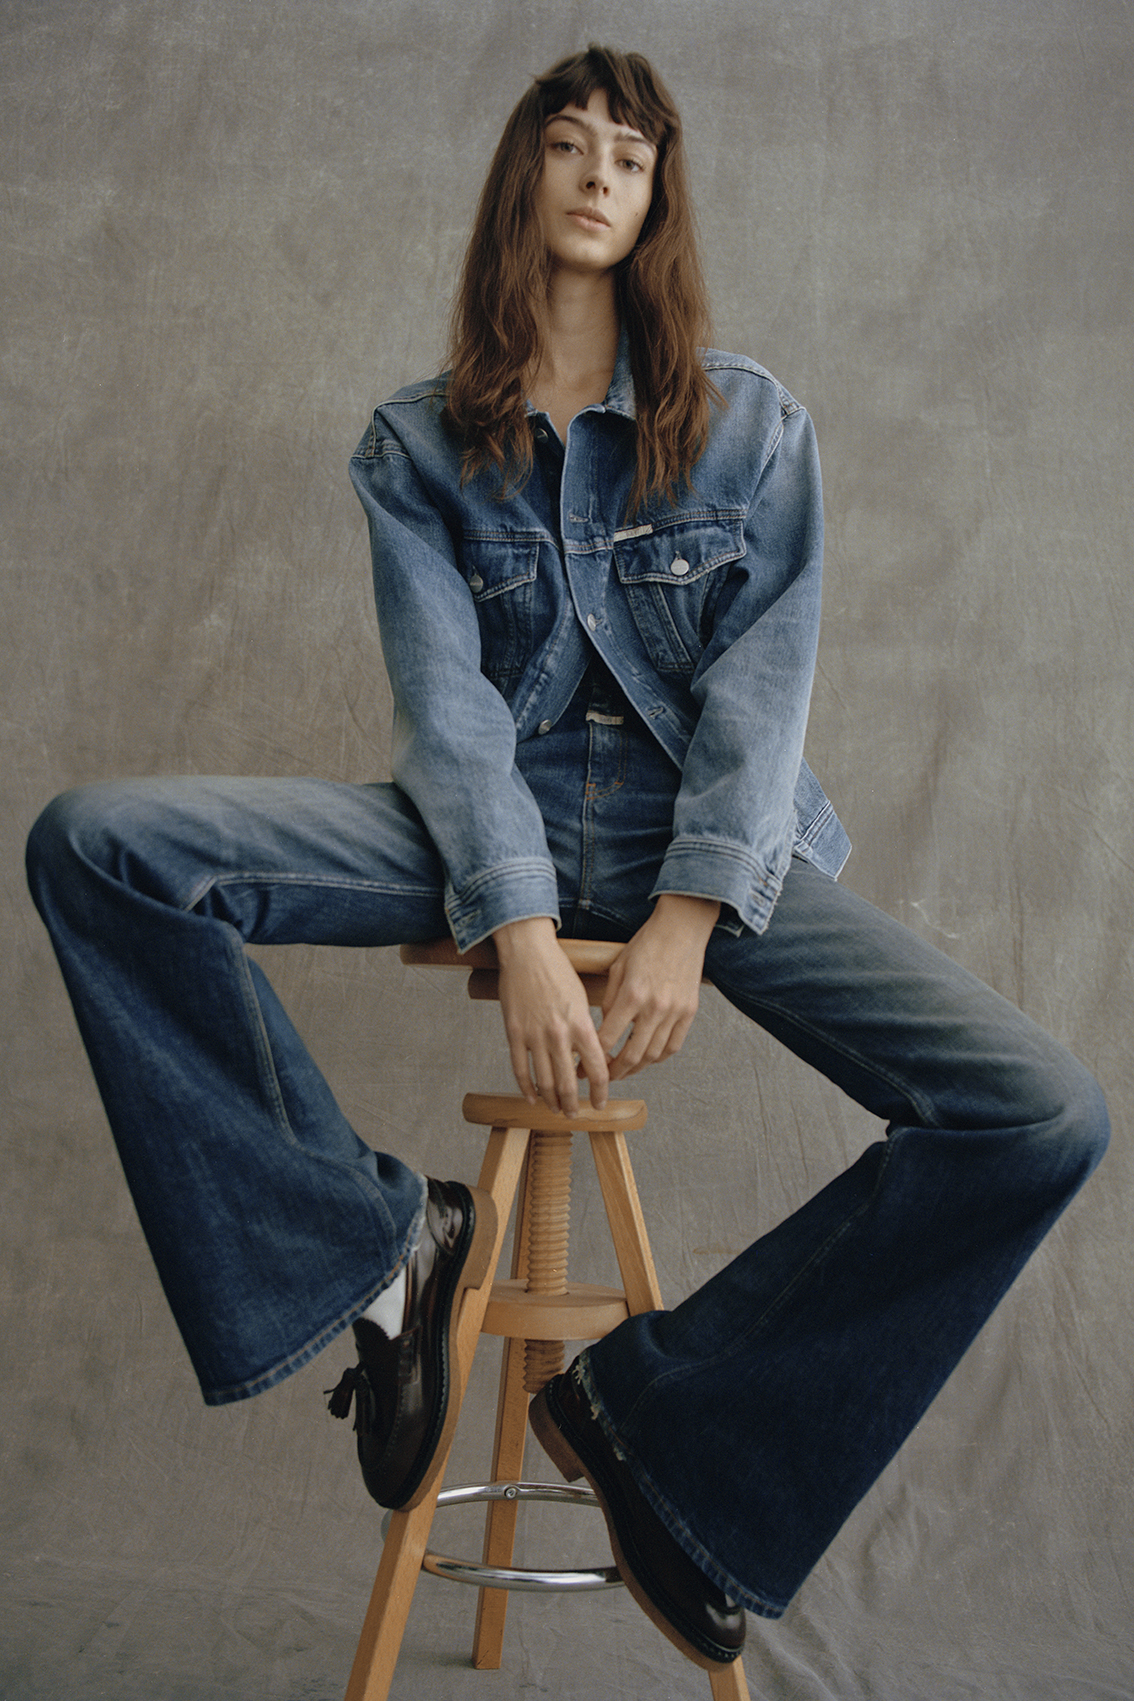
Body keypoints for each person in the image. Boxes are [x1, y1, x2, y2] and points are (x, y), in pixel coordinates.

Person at [26, 44, 1108, 1676]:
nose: (601, 172)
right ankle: (377, 1241)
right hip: (486, 828)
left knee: (1038, 1112)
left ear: (660, 195)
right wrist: (521, 926)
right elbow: (446, 710)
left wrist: (684, 915)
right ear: (520, 176)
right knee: (101, 847)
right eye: (568, 143)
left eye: (633, 152)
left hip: (699, 849)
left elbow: (759, 696)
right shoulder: (416, 446)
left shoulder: (752, 428)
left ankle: (661, 1423)